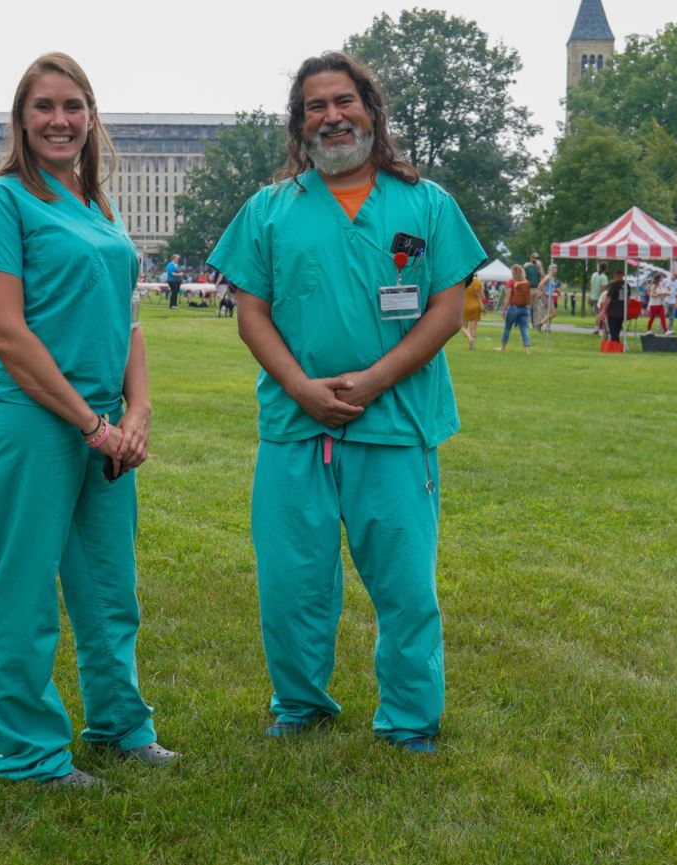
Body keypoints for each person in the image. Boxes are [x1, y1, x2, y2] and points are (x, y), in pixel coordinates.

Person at [208, 50, 485, 755]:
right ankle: (299, 703)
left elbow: (446, 310)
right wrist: (301, 388)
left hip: (395, 423)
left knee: (404, 585)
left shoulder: (425, 203)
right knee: (291, 580)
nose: (330, 117)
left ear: (370, 110)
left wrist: (373, 380)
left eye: (343, 102)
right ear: (299, 126)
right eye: (314, 107)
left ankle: (409, 718)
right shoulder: (269, 210)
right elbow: (251, 313)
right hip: (293, 425)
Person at [0, 52, 174, 789]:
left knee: (110, 588)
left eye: (72, 105)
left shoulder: (96, 204)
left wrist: (137, 412)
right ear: (21, 118)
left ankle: (121, 724)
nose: (59, 120)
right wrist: (91, 423)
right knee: (20, 590)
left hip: (107, 426)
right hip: (33, 419)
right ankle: (28, 752)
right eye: (43, 106)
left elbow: (130, 323)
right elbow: (6, 333)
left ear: (91, 116)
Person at [496, 263, 532, 354]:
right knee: (524, 329)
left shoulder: (511, 282)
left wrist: (503, 309)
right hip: (524, 308)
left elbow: (508, 297)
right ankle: (527, 350)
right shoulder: (526, 282)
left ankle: (502, 347)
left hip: (513, 308)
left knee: (507, 328)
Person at [601, 270, 627, 344]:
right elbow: (627, 299)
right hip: (622, 311)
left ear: (616, 275)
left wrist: (603, 310)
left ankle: (614, 345)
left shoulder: (614, 285)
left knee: (612, 330)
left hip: (613, 311)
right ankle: (616, 344)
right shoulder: (626, 285)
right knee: (617, 329)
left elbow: (608, 298)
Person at [460, 274, 483, 348]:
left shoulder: (464, 281)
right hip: (476, 306)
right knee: (473, 327)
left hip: (465, 306)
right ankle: (472, 345)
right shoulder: (478, 281)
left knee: (463, 327)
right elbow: (482, 295)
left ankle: (470, 338)